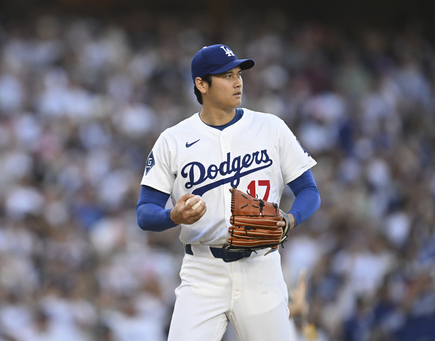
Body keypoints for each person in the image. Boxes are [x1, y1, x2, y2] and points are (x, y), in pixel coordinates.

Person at [136, 44, 321, 341]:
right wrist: (173, 215)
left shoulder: (271, 128)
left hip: (261, 268)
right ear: (201, 84)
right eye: (226, 75)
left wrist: (292, 218)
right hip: (202, 271)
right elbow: (145, 212)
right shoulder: (173, 140)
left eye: (238, 74)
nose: (237, 82)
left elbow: (309, 191)